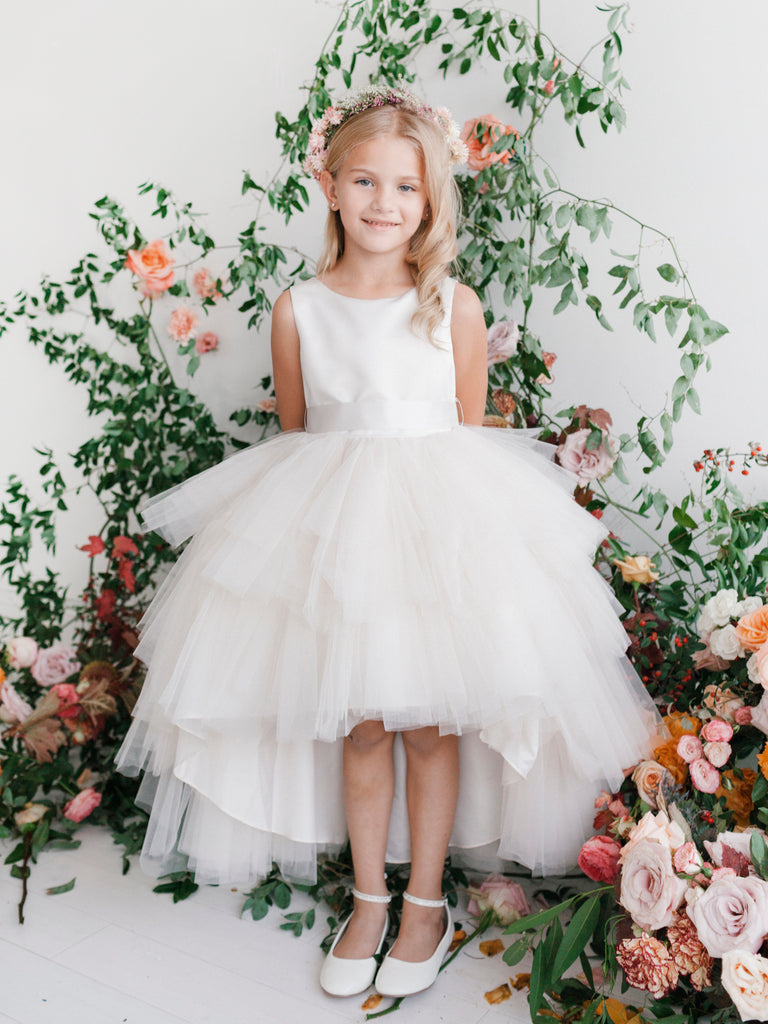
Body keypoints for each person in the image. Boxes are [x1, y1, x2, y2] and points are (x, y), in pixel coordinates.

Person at [115, 84, 663, 1000]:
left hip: (437, 537)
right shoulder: (299, 308)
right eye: (364, 182)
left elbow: (467, 431)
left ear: (432, 199)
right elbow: (299, 431)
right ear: (330, 187)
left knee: (427, 724)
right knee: (362, 727)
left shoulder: (452, 304)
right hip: (331, 539)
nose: (383, 204)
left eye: (404, 188)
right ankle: (368, 898)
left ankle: (423, 903)